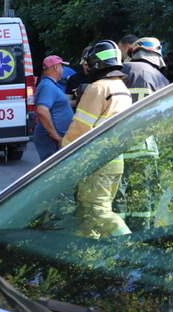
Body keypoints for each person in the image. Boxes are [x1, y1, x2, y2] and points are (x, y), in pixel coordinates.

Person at [62, 40, 132, 239]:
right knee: (86, 214)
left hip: (96, 162)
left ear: (96, 64)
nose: (84, 67)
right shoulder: (121, 87)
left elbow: (80, 128)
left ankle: (131, 246)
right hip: (115, 161)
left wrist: (63, 149)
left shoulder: (98, 88)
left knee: (97, 211)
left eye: (87, 63)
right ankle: (86, 253)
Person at [112, 37, 170, 231]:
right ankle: (142, 235)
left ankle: (117, 237)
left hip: (117, 147)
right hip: (146, 148)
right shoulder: (162, 80)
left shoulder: (121, 71)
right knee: (143, 195)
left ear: (133, 52)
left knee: (118, 195)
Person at [32, 55, 74, 162]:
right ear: (56, 67)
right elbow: (42, 110)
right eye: (61, 66)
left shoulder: (49, 85)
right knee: (53, 171)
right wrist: (55, 135)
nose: (63, 70)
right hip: (51, 139)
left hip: (51, 138)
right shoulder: (48, 87)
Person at [65, 46, 92, 110]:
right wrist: (79, 101)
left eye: (90, 64)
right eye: (85, 64)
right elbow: (66, 102)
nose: (87, 67)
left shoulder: (102, 78)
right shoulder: (74, 78)